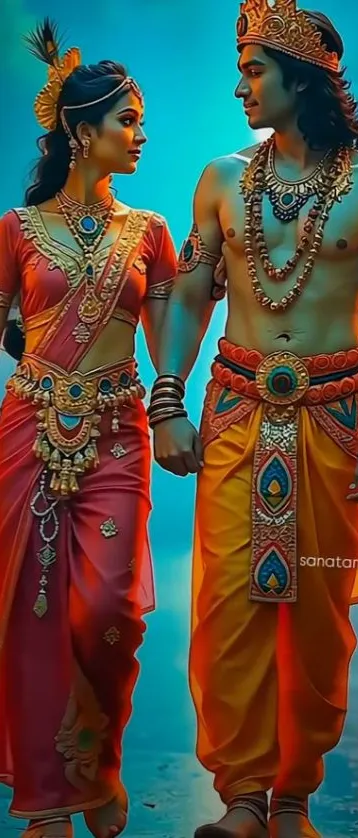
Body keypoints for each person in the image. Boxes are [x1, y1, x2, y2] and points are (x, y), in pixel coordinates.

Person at [149, 1, 358, 836]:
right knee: (230, 605)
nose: (240, 86)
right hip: (234, 412)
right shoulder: (222, 180)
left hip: (336, 422)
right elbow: (191, 292)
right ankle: (245, 800)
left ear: (304, 78)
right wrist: (168, 398)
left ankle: (292, 797)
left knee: (319, 615)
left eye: (255, 70)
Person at [0, 19, 178, 838]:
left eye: (139, 121)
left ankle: (95, 769)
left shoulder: (148, 235)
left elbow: (168, 343)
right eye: (126, 121)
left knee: (107, 607)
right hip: (28, 432)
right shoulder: (15, 230)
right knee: (31, 612)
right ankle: (46, 802)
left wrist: (178, 404)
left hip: (117, 432)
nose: (139, 136)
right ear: (80, 132)